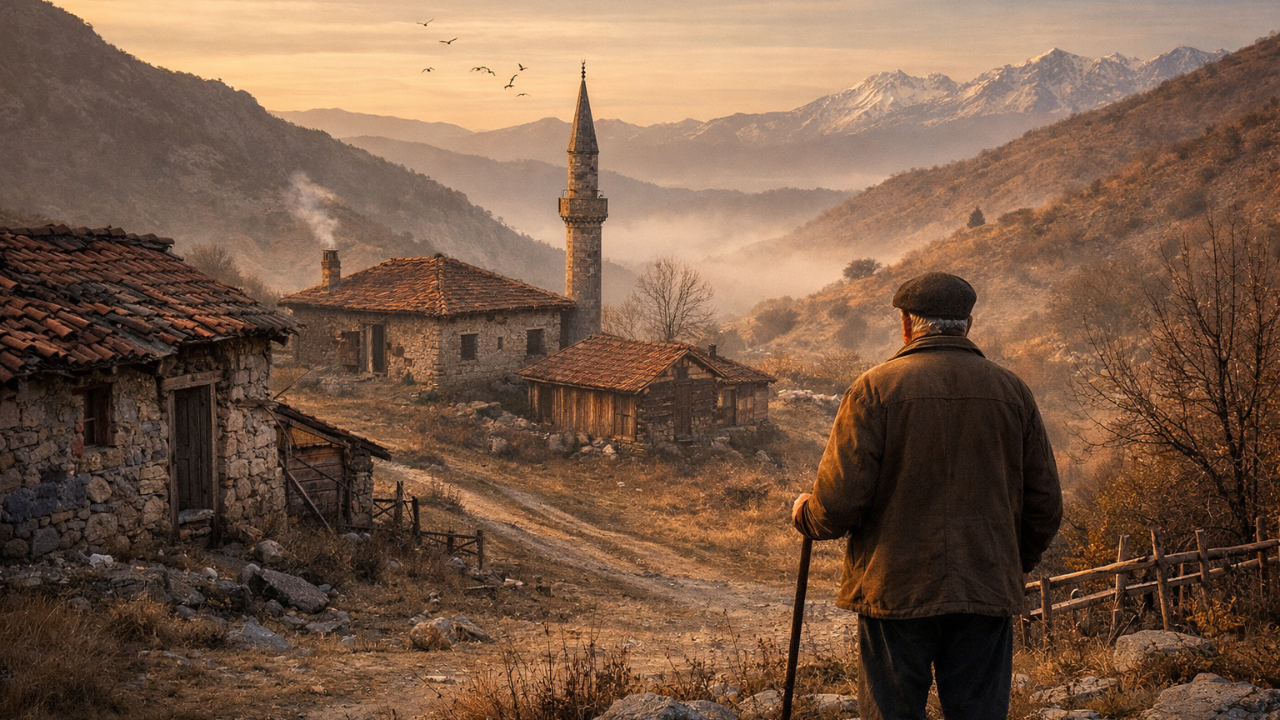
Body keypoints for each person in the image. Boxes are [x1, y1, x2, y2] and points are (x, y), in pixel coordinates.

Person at [791, 272, 1062, 720]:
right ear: (968, 325)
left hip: (895, 590)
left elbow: (838, 504)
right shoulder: (1013, 393)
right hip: (986, 585)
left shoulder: (875, 390)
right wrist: (1007, 560)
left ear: (905, 324)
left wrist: (806, 514)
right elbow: (1046, 505)